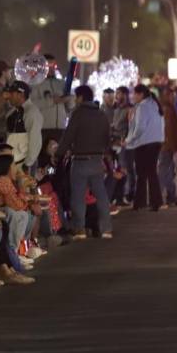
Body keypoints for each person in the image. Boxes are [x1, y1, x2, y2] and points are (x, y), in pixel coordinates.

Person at [56, 85, 113, 239]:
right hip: (96, 160)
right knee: (101, 195)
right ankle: (106, 229)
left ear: (81, 97)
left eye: (76, 97)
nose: (75, 100)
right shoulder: (101, 114)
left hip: (80, 160)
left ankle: (79, 229)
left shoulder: (78, 114)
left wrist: (59, 153)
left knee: (78, 196)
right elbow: (107, 138)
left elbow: (68, 136)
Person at [126, 85, 165, 211]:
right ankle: (156, 201)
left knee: (142, 174)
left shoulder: (142, 107)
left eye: (135, 94)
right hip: (157, 142)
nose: (133, 96)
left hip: (144, 143)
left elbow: (140, 127)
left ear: (141, 94)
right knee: (151, 172)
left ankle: (140, 202)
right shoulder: (155, 105)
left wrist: (130, 140)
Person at [31, 54, 75, 144]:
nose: (51, 68)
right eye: (48, 66)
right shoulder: (35, 85)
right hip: (43, 129)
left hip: (61, 128)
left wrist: (69, 99)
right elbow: (32, 104)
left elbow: (70, 107)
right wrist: (52, 101)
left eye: (53, 65)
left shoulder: (62, 84)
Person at [4, 81, 43, 171]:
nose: (8, 96)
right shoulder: (12, 113)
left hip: (24, 163)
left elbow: (35, 139)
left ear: (21, 94)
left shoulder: (31, 112)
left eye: (11, 93)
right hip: (13, 161)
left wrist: (28, 163)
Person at [158, 90, 177, 206]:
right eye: (172, 96)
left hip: (165, 145)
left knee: (168, 172)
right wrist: (173, 145)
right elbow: (169, 129)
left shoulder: (165, 109)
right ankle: (162, 196)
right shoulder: (167, 110)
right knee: (165, 172)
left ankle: (170, 196)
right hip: (166, 146)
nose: (173, 98)